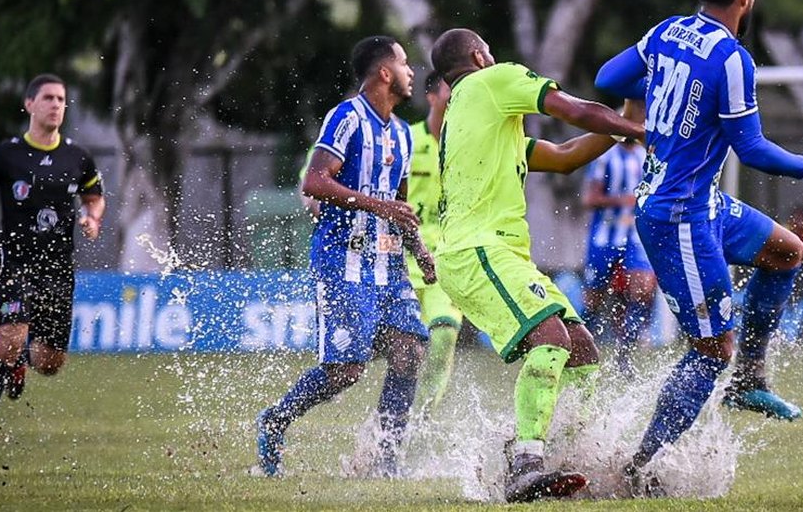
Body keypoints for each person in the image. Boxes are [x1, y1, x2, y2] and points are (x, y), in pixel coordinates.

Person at [593, 0, 803, 491]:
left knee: (786, 251)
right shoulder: (732, 59)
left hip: (701, 203)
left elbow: (607, 77)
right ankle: (639, 468)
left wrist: (665, 92)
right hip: (677, 215)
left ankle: (749, 378)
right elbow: (750, 147)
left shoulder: (668, 31)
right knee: (711, 351)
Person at [431, 27, 645, 502]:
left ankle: (572, 456)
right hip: (479, 250)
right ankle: (526, 462)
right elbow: (574, 112)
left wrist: (629, 115)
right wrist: (643, 131)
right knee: (550, 339)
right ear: (478, 55)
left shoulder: (479, 118)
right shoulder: (494, 80)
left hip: (495, 255)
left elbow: (569, 156)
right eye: (490, 48)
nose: (495, 54)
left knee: (582, 348)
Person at [254, 35, 436, 478]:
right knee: (345, 370)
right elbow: (314, 182)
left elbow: (399, 199)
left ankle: (386, 457)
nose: (413, 72)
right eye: (405, 63)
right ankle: (274, 419)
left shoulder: (401, 134)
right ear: (385, 73)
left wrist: (418, 247)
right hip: (342, 261)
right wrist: (379, 206)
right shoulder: (347, 117)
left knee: (410, 351)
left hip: (388, 264)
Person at [0, 74, 105, 443]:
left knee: (49, 363)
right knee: (7, 339)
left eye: (61, 99)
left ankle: (21, 365)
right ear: (29, 104)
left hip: (58, 268)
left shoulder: (78, 157)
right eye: (48, 98)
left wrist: (93, 217)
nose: (56, 105)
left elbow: (94, 195)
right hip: (16, 263)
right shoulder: (5, 154)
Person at [404, 72, 464, 419]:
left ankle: (420, 419)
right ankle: (394, 416)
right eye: (450, 89)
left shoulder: (467, 146)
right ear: (430, 96)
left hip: (447, 263)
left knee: (443, 337)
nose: (457, 96)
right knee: (405, 349)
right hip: (403, 259)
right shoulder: (407, 140)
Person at [579, 139, 657, 379]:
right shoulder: (605, 156)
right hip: (604, 237)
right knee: (594, 299)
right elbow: (589, 200)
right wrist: (623, 201)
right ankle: (581, 352)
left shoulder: (645, 156)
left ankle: (625, 355)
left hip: (634, 237)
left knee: (643, 289)